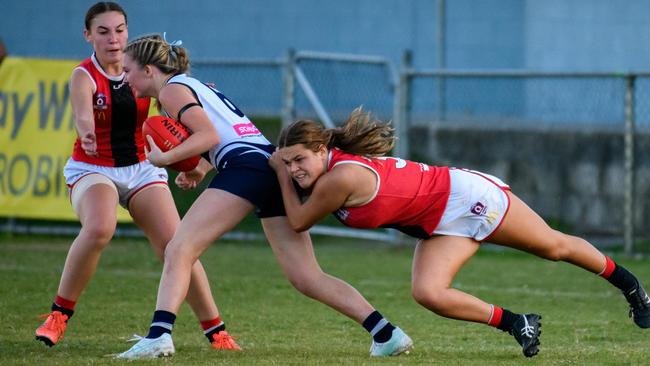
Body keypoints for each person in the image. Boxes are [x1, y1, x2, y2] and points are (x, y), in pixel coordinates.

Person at [115, 34, 413, 359]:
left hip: (248, 167)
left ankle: (159, 335)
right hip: (267, 167)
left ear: (147, 69)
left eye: (127, 70)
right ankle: (386, 333)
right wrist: (201, 167)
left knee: (179, 248)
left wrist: (163, 159)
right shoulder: (193, 85)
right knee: (306, 277)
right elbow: (220, 135)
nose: (125, 77)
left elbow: (209, 135)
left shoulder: (172, 90)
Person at [268, 107, 650, 358]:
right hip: (437, 225)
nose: (294, 169)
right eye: (288, 163)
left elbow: (299, 221)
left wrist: (279, 174)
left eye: (299, 160)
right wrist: (287, 170)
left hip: (466, 198)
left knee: (553, 246)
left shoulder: (341, 176)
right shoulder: (327, 171)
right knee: (428, 293)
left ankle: (633, 289)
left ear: (322, 149)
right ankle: (518, 322)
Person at [35, 2, 241, 352]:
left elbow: (179, 119)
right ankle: (58, 315)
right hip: (93, 167)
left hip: (143, 166)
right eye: (103, 31)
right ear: (88, 36)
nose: (113, 38)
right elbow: (83, 115)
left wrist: (195, 161)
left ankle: (217, 333)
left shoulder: (146, 74)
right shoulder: (83, 75)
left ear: (128, 32)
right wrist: (86, 131)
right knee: (100, 227)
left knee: (177, 246)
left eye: (119, 29)